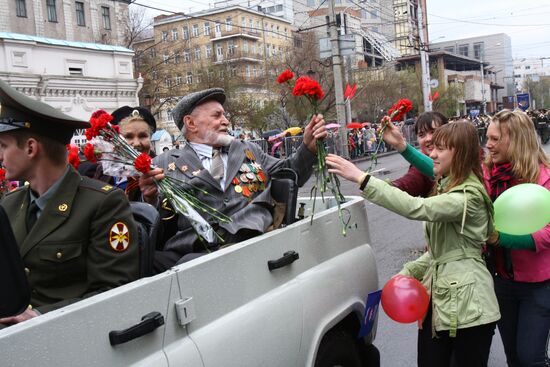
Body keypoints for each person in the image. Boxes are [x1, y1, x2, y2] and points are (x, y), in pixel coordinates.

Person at [326, 122, 500, 367]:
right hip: (443, 301)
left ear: (459, 153)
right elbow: (440, 254)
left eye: (440, 148)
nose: (432, 154)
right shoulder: (448, 185)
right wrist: (405, 274)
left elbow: (415, 208)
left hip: (470, 307)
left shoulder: (467, 197)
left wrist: (362, 178)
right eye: (432, 148)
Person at [139, 88, 327, 272]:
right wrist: (150, 200)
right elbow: (157, 227)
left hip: (252, 242)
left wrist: (307, 148)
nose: (226, 121)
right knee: (142, 264)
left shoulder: (248, 150)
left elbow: (291, 174)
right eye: (217, 115)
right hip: (195, 251)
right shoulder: (163, 163)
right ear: (191, 123)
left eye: (224, 115)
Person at [0, 79, 139, 324]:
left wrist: (39, 316)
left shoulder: (102, 204)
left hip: (68, 335)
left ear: (31, 148)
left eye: (3, 146)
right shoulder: (10, 204)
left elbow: (115, 292)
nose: (0, 156)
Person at [484, 109, 550, 367]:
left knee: (530, 358)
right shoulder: (490, 173)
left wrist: (503, 239)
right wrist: (403, 148)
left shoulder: (544, 177)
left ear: (517, 140)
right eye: (487, 138)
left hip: (540, 286)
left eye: (495, 139)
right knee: (514, 358)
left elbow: (548, 231)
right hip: (503, 285)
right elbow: (443, 169)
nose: (488, 144)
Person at [383, 111, 448, 197]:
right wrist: (383, 188)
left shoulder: (463, 157)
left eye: (433, 132)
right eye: (421, 135)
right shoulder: (419, 167)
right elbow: (407, 184)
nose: (428, 138)